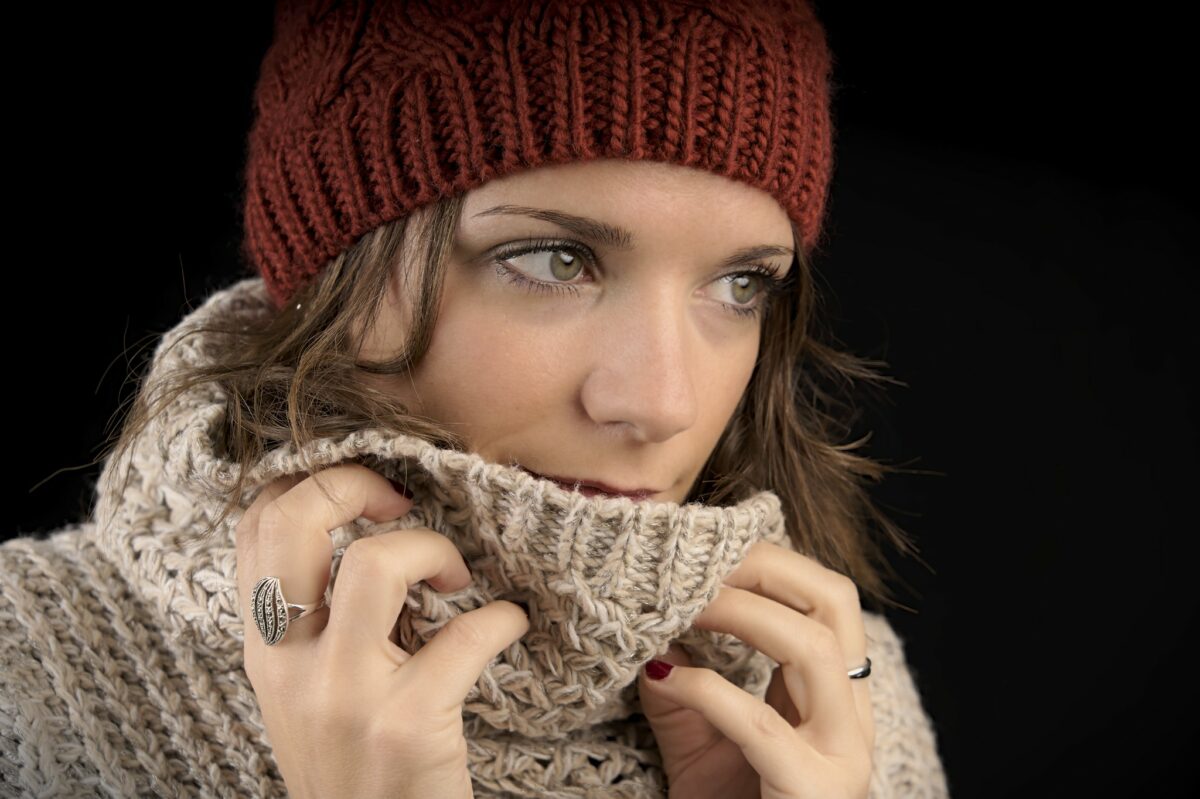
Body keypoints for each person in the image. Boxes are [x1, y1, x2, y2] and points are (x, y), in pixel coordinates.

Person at [0, 0, 951, 796]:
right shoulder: (26, 674)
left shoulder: (838, 692)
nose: (662, 402)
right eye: (553, 259)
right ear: (334, 280)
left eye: (740, 285)